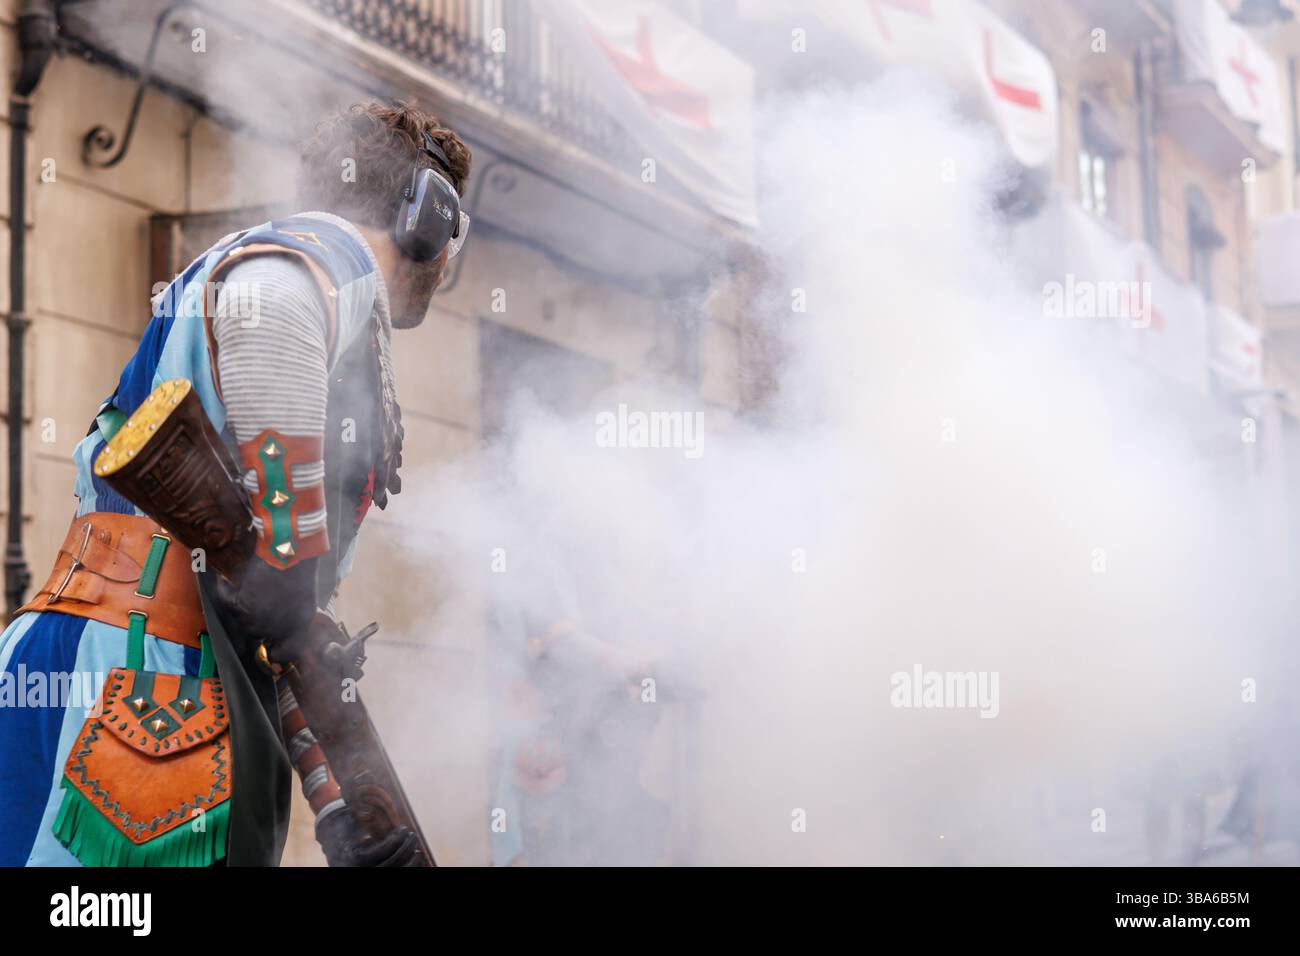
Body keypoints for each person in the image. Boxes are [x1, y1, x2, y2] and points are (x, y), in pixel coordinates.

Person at [0, 100, 471, 867]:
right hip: (141, 686)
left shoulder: (313, 278)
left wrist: (340, 797)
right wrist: (289, 549)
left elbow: (270, 622)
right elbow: (269, 307)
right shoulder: (329, 257)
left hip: (128, 666)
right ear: (428, 217)